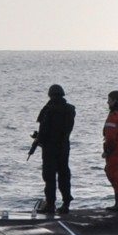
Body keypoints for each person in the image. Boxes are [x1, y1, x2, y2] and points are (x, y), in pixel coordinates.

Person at [32, 85, 75, 215]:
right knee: (64, 175)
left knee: (49, 176)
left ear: (50, 95)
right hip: (64, 147)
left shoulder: (48, 110)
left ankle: (50, 204)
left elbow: (44, 131)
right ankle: (66, 203)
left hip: (50, 148)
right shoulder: (70, 110)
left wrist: (38, 139)